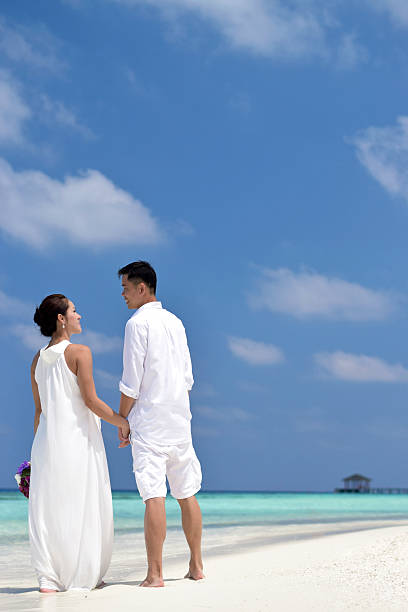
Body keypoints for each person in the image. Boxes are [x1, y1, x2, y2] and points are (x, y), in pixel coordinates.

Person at [29, 294, 130, 593]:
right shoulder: (80, 352)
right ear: (61, 319)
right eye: (74, 311)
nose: (79, 316)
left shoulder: (36, 358)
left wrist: (37, 454)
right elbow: (91, 401)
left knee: (50, 508)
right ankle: (84, 575)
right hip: (77, 441)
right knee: (83, 504)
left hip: (46, 443)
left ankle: (49, 578)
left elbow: (39, 411)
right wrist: (122, 422)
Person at [117, 261, 204, 587]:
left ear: (142, 288)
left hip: (150, 422)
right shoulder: (176, 322)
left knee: (154, 495)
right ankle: (196, 565)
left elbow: (131, 382)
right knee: (187, 492)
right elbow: (188, 377)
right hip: (179, 419)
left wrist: (122, 420)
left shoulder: (136, 324)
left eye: (126, 288)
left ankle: (155, 574)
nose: (122, 295)